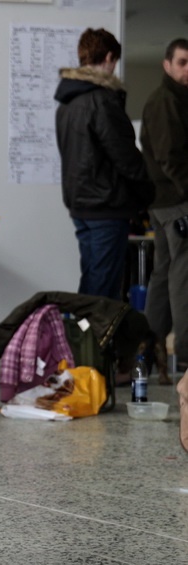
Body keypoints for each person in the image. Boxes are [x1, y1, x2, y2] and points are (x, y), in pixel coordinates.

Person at [54, 28, 153, 300]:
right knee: (104, 288)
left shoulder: (67, 104)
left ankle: (79, 337)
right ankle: (92, 341)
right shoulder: (101, 101)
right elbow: (126, 157)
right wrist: (147, 194)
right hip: (106, 206)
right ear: (109, 57)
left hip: (80, 204)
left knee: (92, 277)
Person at [140, 38, 188, 366]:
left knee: (164, 273)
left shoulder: (174, 99)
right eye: (183, 62)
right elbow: (169, 156)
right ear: (167, 65)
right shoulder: (165, 101)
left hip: (163, 201)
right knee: (183, 276)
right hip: (175, 200)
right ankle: (184, 355)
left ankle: (148, 348)